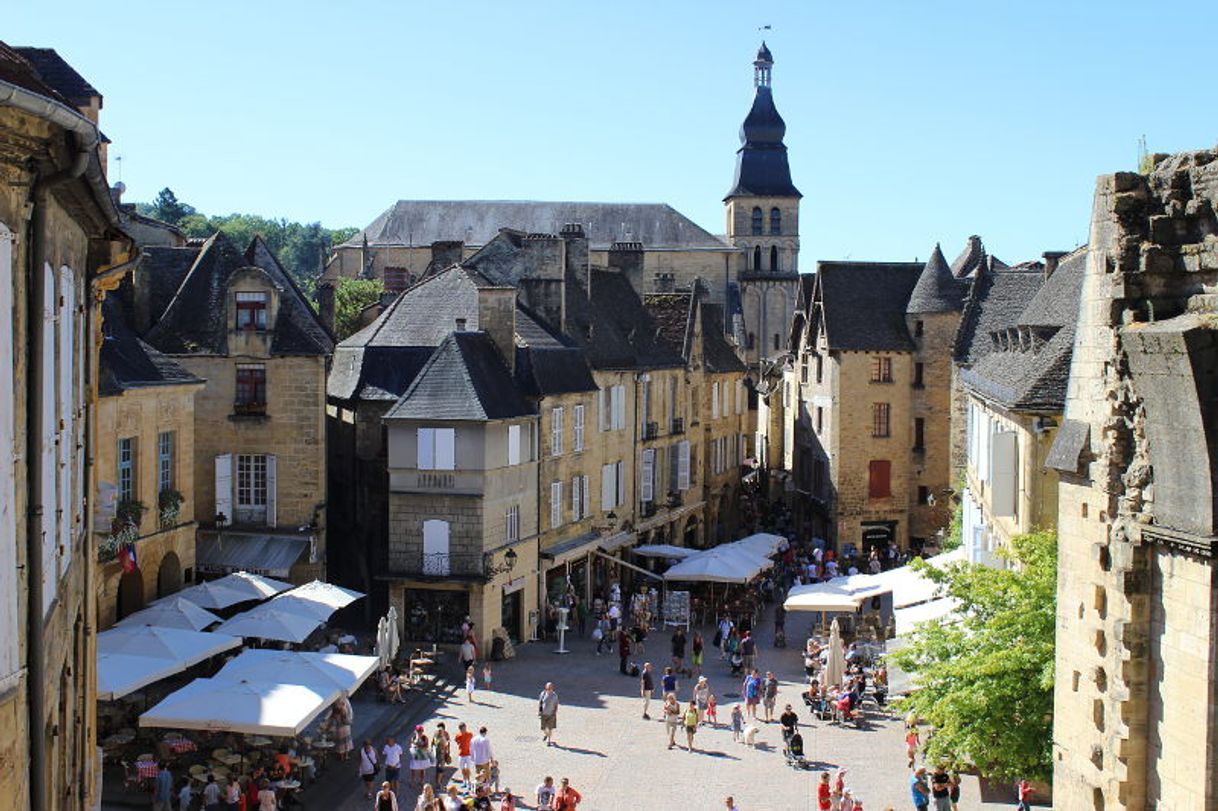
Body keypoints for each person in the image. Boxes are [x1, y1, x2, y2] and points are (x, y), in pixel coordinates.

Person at [330, 693, 354, 761]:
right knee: (346, 741)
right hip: (346, 727)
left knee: (340, 742)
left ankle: (341, 756)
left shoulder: (335, 709)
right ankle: (346, 755)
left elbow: (333, 719)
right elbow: (349, 714)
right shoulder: (344, 709)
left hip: (339, 728)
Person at [408, 725, 432, 789]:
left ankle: (421, 781)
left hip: (423, 756)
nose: (420, 732)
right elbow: (411, 745)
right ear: (416, 731)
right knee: (413, 770)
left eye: (421, 731)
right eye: (418, 731)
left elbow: (426, 747)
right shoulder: (413, 738)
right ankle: (413, 781)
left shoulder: (425, 738)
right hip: (415, 756)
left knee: (422, 769)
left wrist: (419, 746)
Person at [433, 722, 451, 787]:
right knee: (440, 769)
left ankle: (438, 782)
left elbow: (448, 744)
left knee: (440, 769)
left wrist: (448, 752)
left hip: (442, 753)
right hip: (440, 754)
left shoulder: (445, 734)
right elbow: (434, 744)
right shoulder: (437, 735)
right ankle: (438, 783)